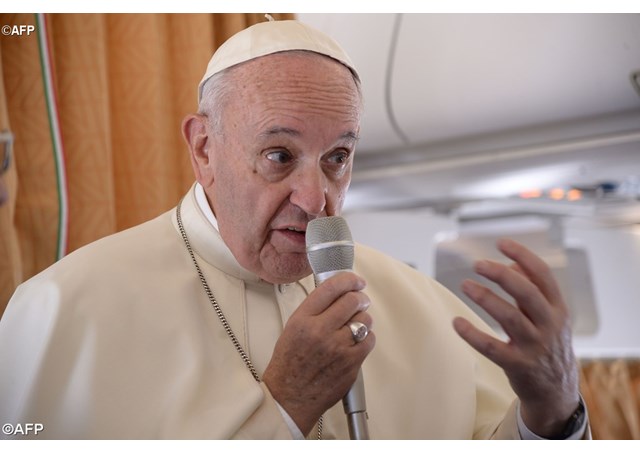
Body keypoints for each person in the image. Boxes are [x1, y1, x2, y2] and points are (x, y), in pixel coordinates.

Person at [0, 19, 589, 440]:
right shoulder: (65, 306)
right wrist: (285, 406)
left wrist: (552, 413)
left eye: (337, 157)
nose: (317, 200)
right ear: (204, 149)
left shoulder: (414, 300)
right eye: (279, 156)